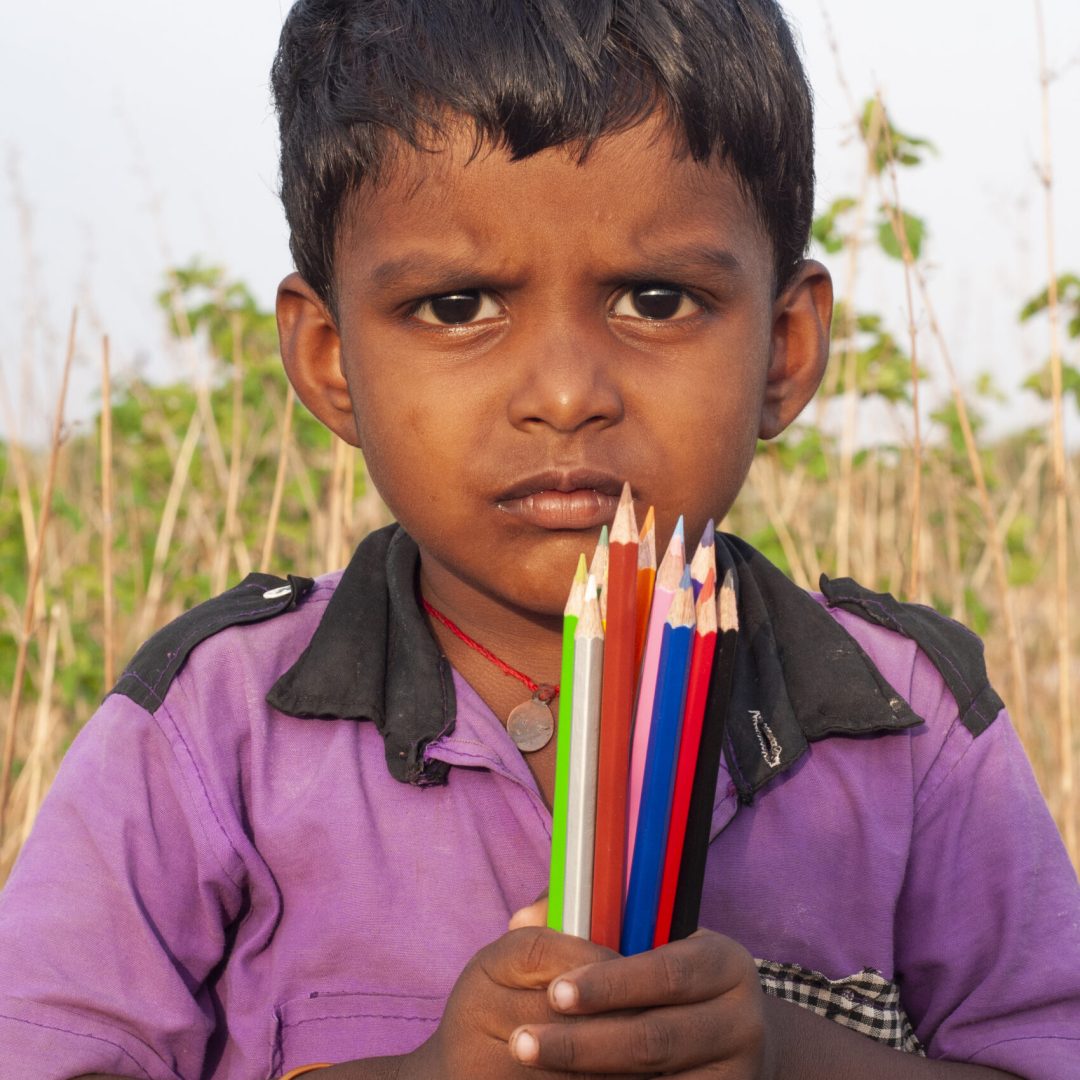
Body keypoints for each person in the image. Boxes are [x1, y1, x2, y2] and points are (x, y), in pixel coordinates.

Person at [2, 1, 1078, 1077]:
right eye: (457, 304)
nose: (565, 395)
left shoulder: (906, 729)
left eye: (657, 300)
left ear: (786, 351)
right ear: (331, 360)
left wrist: (794, 1054)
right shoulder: (212, 734)